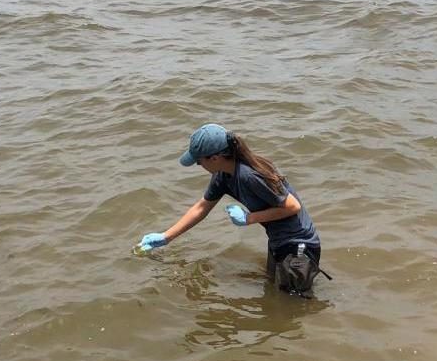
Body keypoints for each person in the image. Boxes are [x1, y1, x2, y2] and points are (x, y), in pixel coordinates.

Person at [137, 123, 324, 297]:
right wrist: (166, 237)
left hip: (299, 246)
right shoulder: (223, 176)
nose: (199, 166)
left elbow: (293, 206)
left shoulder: (249, 175)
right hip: (278, 242)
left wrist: (249, 218)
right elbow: (201, 207)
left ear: (215, 158)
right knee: (275, 294)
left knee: (294, 306)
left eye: (199, 162)